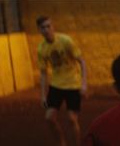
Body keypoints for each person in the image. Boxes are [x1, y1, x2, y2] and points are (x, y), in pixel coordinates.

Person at [37, 16, 87, 146]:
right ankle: (61, 143)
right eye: (43, 27)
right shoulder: (41, 49)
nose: (47, 30)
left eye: (49, 26)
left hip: (72, 84)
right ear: (39, 30)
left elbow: (81, 61)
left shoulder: (66, 41)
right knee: (49, 118)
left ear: (53, 27)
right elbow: (43, 73)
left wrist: (83, 83)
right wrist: (43, 95)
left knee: (72, 119)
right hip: (56, 85)